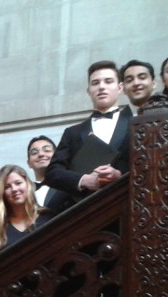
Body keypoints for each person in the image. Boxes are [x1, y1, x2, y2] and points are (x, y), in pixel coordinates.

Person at [44, 60, 132, 216]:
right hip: (84, 214)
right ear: (89, 91)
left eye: (108, 81)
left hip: (126, 209)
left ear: (120, 88)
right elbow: (53, 173)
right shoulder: (73, 132)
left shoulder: (136, 124)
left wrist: (120, 175)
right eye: (95, 83)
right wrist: (83, 180)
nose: (101, 87)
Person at [0, 165, 40, 255]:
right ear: (2, 193)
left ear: (28, 184)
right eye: (7, 187)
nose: (14, 189)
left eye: (18, 183)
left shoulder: (48, 217)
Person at [26, 136, 56, 212]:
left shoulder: (70, 184)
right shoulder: (24, 191)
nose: (41, 154)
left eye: (47, 150)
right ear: (29, 163)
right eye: (34, 153)